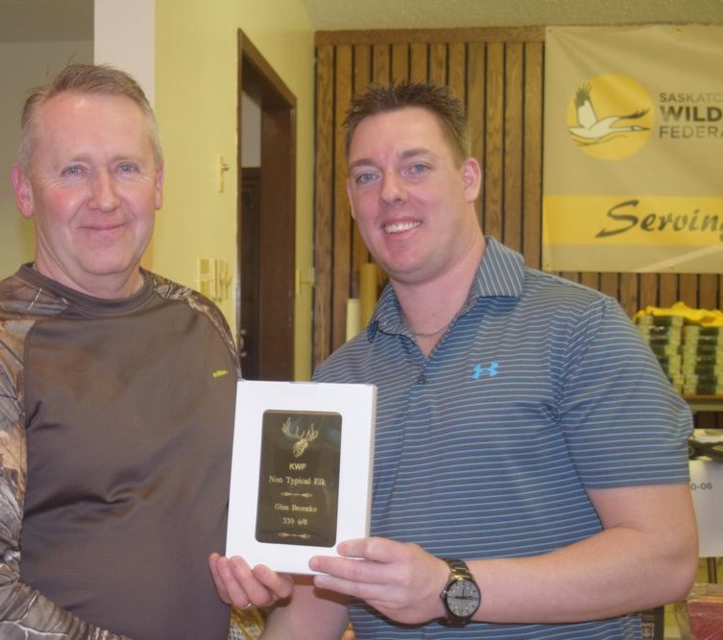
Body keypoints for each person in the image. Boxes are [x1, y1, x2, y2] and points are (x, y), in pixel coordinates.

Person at [209, 81, 698, 639]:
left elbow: (665, 559)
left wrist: (451, 587)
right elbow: (320, 602)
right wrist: (273, 587)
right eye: (367, 175)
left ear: (469, 178)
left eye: (416, 167)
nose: (390, 192)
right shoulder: (339, 378)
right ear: (351, 201)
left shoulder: (581, 330)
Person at [0, 63, 240, 640]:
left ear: (158, 184)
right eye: (73, 171)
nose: (104, 198)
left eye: (126, 168)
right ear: (24, 190)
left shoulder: (203, 321)